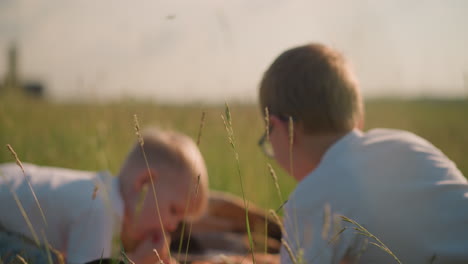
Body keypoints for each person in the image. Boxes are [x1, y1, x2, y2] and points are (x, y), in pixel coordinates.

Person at [257, 43, 468, 263]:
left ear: (281, 129)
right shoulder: (410, 144)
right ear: (358, 118)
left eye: (267, 138)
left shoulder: (310, 199)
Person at [0, 127, 209, 264]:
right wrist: (134, 261)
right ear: (144, 182)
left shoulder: (106, 194)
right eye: (174, 211)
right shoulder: (100, 210)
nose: (173, 226)